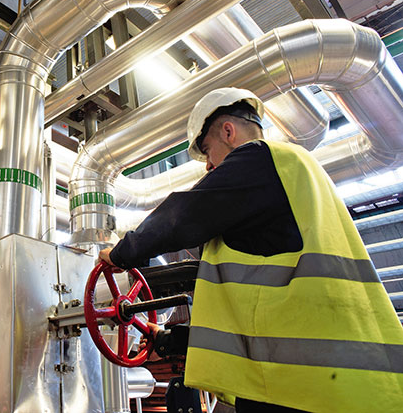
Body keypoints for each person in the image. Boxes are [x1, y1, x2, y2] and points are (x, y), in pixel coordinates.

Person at [99, 87, 403, 412]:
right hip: (335, 382)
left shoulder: (263, 157)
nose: (207, 167)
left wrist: (122, 253)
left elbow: (183, 215)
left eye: (207, 151)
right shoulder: (291, 176)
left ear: (228, 132)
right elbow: (263, 315)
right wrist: (171, 338)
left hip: (307, 391)